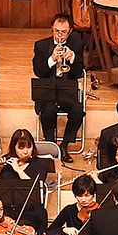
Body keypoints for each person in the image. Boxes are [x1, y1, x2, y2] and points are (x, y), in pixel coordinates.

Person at [32, 13, 86, 163]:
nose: (60, 35)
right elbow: (38, 71)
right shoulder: (41, 45)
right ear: (52, 29)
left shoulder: (77, 45)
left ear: (70, 31)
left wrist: (73, 58)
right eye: (56, 31)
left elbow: (79, 72)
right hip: (48, 90)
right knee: (48, 110)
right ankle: (51, 145)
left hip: (67, 90)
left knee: (78, 111)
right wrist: (51, 59)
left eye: (63, 32)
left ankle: (64, 145)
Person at [0, 128, 53, 232]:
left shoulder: (40, 164)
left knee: (19, 231)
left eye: (29, 147)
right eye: (21, 148)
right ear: (14, 148)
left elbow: (34, 186)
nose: (26, 151)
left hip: (30, 210)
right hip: (6, 209)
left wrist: (18, 170)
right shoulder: (7, 162)